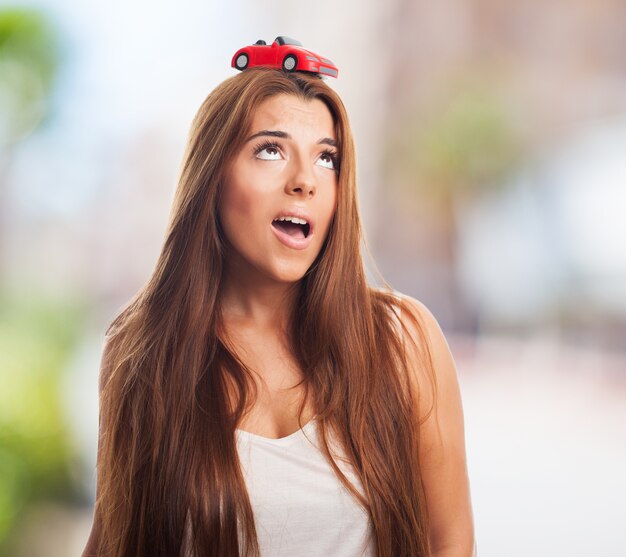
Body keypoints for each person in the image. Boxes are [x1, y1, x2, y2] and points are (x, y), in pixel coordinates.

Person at [83, 66, 475, 557]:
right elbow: (114, 539)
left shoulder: (403, 339)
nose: (305, 181)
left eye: (327, 158)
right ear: (212, 176)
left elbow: (451, 544)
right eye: (271, 150)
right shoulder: (141, 352)